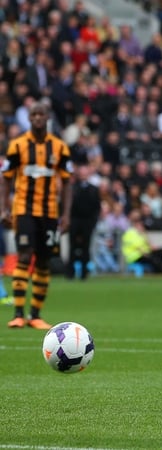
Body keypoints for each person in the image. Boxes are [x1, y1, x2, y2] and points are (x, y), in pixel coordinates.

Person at [0, 101, 73, 329]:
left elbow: (68, 181)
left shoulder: (60, 147)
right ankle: (19, 313)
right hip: (23, 209)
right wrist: (4, 207)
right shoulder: (17, 146)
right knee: (24, 256)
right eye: (34, 114)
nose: (38, 118)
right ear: (29, 118)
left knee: (43, 260)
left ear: (48, 117)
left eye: (42, 114)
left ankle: (36, 315)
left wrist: (66, 214)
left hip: (50, 212)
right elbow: (6, 177)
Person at [66, 164, 101, 280]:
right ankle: (70, 273)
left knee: (86, 248)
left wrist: (93, 222)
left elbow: (97, 207)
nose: (83, 175)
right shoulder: (72, 187)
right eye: (81, 173)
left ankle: (84, 273)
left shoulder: (94, 189)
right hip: (74, 221)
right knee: (72, 247)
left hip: (87, 222)